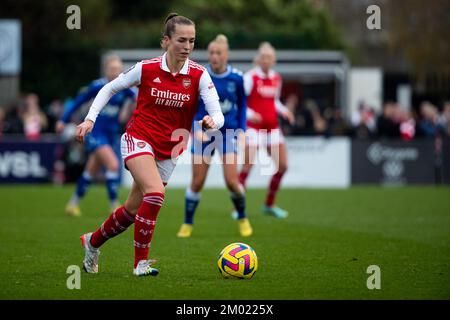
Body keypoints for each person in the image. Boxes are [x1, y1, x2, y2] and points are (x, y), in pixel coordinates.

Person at [76, 13, 224, 277]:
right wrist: (89, 120)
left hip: (171, 148)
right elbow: (109, 89)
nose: (188, 46)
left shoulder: (199, 75)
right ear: (166, 41)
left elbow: (219, 114)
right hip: (138, 138)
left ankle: (93, 242)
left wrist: (212, 121)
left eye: (192, 40)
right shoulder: (146, 68)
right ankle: (140, 263)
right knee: (155, 193)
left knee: (132, 210)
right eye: (181, 40)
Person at [177, 34, 252, 238]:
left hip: (229, 133)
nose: (214, 56)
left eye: (218, 53)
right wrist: (195, 129)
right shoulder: (201, 77)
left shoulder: (237, 78)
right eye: (211, 53)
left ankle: (242, 217)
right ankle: (187, 223)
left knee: (231, 181)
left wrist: (242, 132)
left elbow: (243, 106)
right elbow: (192, 108)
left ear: (226, 55)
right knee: (197, 182)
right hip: (204, 133)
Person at [56, 55, 136, 216]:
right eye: (112, 69)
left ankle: (72, 204)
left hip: (111, 134)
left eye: (118, 69)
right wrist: (63, 120)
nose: (115, 72)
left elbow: (139, 100)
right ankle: (114, 205)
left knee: (90, 171)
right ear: (106, 70)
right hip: (95, 133)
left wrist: (128, 112)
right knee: (113, 165)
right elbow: (77, 102)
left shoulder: (124, 88)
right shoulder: (97, 86)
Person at [238, 42, 294, 218]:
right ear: (258, 59)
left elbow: (274, 101)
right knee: (247, 166)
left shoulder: (276, 78)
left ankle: (269, 205)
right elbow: (240, 103)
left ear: (274, 60)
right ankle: (238, 208)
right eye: (263, 57)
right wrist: (250, 113)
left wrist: (285, 111)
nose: (266, 60)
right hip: (253, 128)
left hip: (272, 127)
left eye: (269, 57)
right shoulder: (250, 77)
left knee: (283, 166)